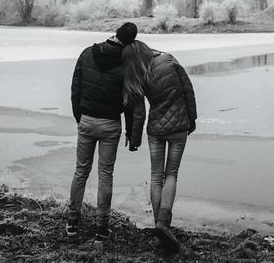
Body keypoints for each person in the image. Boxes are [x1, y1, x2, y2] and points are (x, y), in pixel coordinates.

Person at [123, 35, 198, 253]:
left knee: (156, 176)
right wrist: (191, 119)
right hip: (178, 127)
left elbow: (138, 111)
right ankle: (164, 224)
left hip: (156, 129)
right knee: (171, 173)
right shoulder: (168, 60)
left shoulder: (137, 74)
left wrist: (134, 139)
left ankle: (159, 227)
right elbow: (188, 90)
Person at [67, 21, 139, 240]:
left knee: (81, 171)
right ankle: (101, 228)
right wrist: (129, 130)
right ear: (130, 42)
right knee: (105, 175)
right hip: (110, 125)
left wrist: (80, 117)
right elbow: (128, 102)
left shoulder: (87, 53)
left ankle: (72, 223)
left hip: (87, 120)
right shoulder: (127, 64)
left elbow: (75, 89)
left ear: (115, 34)